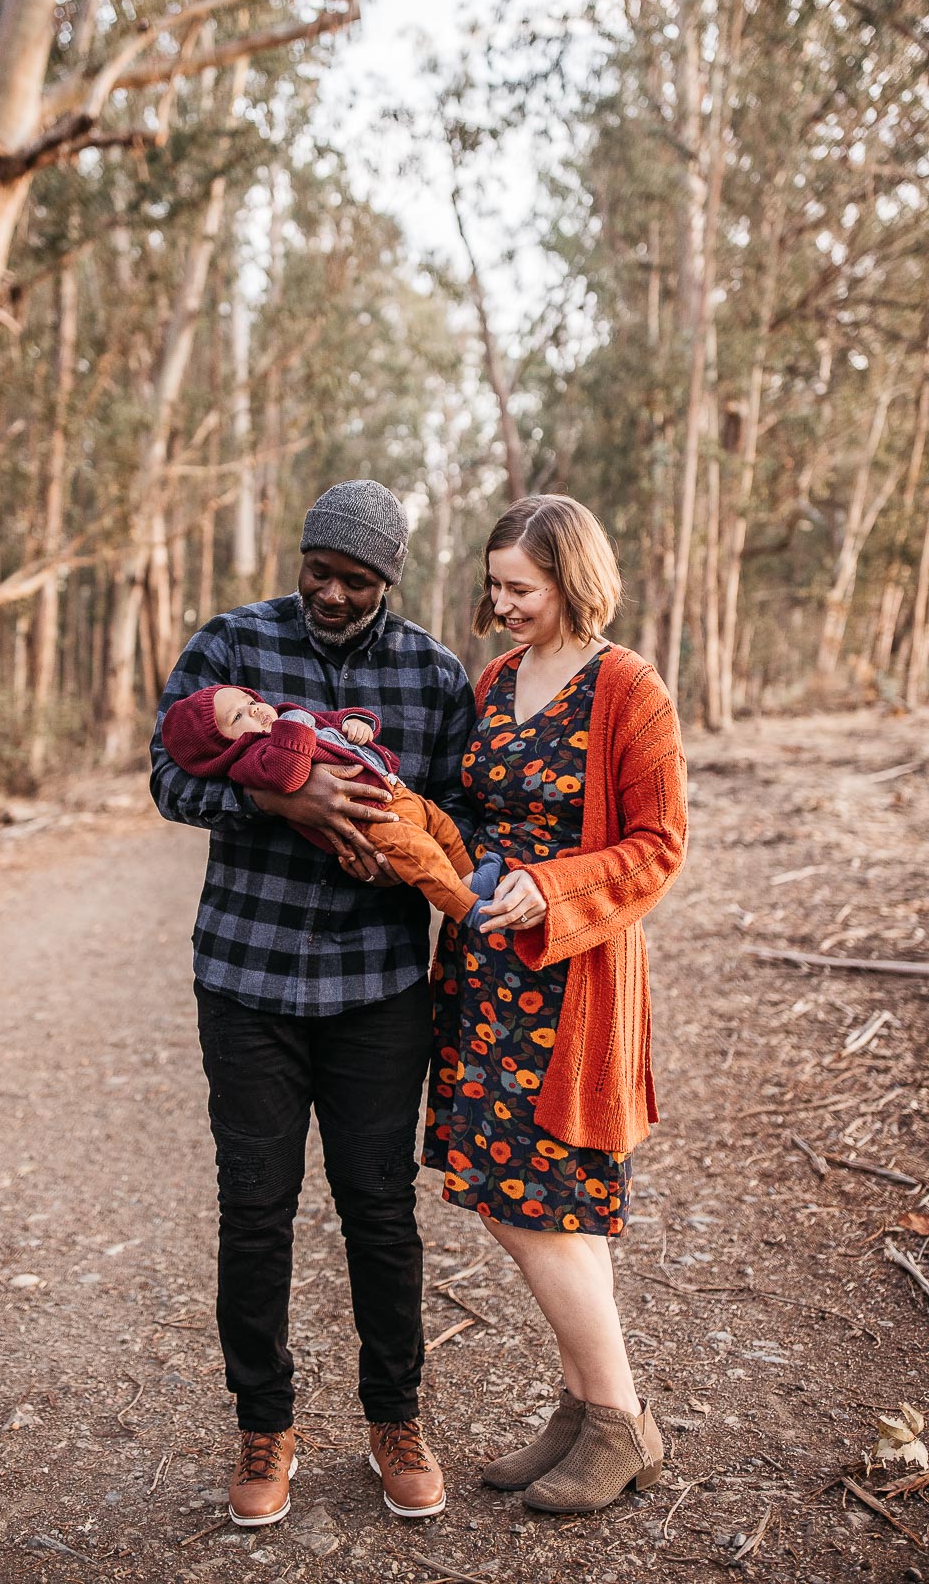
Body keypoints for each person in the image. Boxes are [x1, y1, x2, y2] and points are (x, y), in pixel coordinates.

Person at [150, 480, 477, 1528]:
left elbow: (460, 813)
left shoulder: (431, 673)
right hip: (246, 980)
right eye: (319, 572)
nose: (332, 594)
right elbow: (165, 770)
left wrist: (406, 859)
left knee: (379, 1208)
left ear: (390, 578)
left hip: (378, 991)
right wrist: (269, 793)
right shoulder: (231, 643)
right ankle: (265, 1423)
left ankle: (396, 1416)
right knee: (255, 1207)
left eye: (357, 579)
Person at [422, 494, 687, 1515]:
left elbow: (660, 845)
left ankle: (619, 1418)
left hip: (570, 985)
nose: (502, 602)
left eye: (519, 586)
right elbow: (476, 808)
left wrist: (557, 887)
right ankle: (584, 1410)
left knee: (542, 1200)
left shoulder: (630, 689)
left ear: (572, 578)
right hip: (484, 983)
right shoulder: (495, 680)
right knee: (515, 1193)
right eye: (493, 584)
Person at [159, 682, 502, 926]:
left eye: (250, 702)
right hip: (370, 823)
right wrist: (294, 725)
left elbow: (332, 721)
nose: (256, 711)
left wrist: (357, 724)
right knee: (419, 853)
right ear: (224, 747)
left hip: (394, 793)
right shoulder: (252, 758)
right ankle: (465, 907)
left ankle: (469, 878)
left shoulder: (286, 718)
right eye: (238, 718)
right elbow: (288, 775)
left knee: (440, 823)